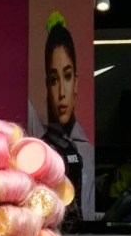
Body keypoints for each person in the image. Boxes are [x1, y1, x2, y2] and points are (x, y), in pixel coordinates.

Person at [39, 15, 96, 223]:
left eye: (68, 76)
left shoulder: (88, 151)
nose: (62, 91)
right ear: (47, 85)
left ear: (77, 83)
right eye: (54, 80)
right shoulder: (39, 148)